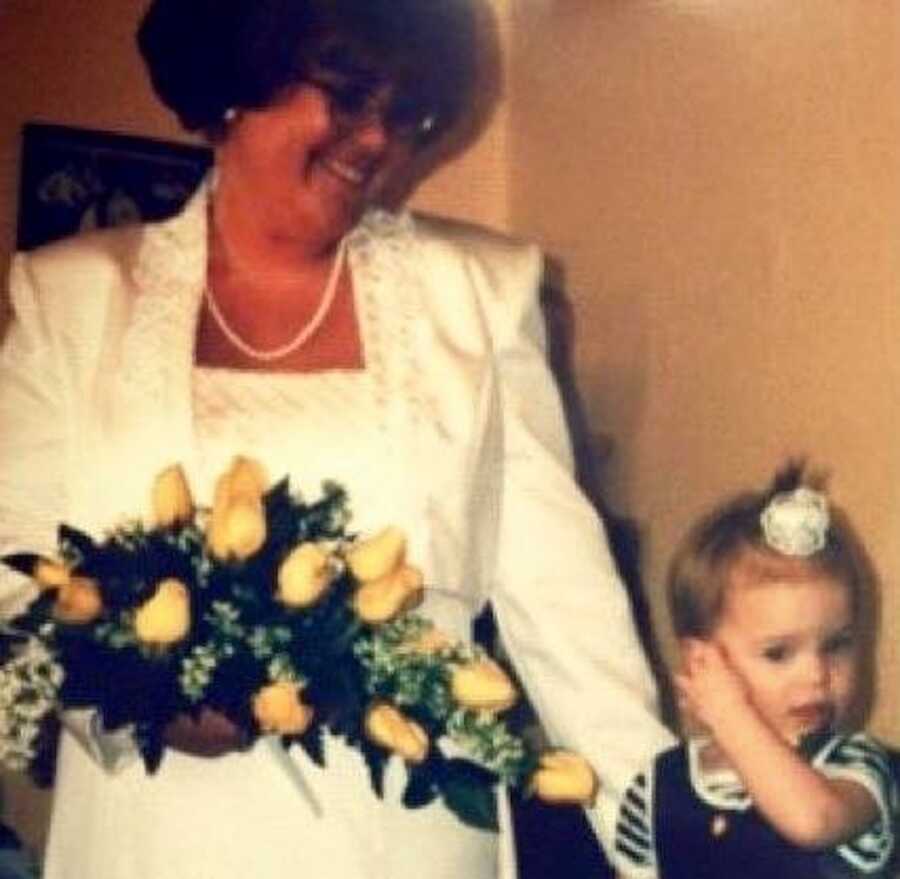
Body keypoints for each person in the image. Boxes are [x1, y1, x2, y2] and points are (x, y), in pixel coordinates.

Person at [0, 1, 674, 876]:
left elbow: (571, 619)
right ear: (240, 77)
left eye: (410, 115)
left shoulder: (478, 297)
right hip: (153, 830)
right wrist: (136, 692)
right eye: (353, 96)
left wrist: (680, 844)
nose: (378, 140)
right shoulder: (73, 301)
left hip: (404, 835)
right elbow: (11, 573)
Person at [613, 466, 898, 878]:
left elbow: (811, 822)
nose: (817, 674)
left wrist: (732, 716)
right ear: (703, 663)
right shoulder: (657, 788)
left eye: (836, 645)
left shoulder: (854, 767)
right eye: (779, 653)